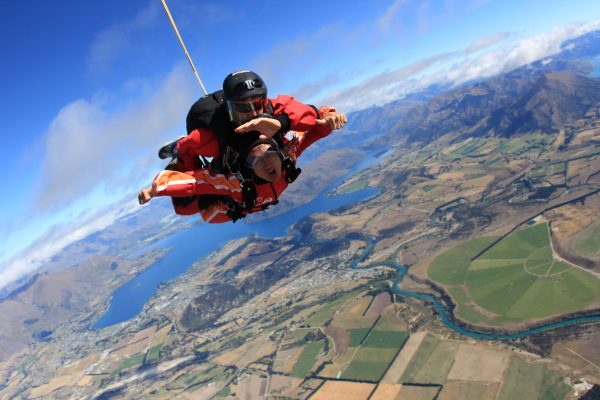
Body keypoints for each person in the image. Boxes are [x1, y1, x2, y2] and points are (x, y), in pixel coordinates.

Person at [138, 106, 347, 223]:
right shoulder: (233, 182)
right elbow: (196, 181)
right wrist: (157, 188)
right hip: (233, 205)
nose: (267, 163)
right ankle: (182, 151)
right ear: (246, 166)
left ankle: (186, 151)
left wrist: (327, 117)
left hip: (243, 206)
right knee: (186, 209)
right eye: (256, 159)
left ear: (278, 150)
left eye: (269, 154)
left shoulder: (287, 157)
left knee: (201, 213)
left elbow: (309, 134)